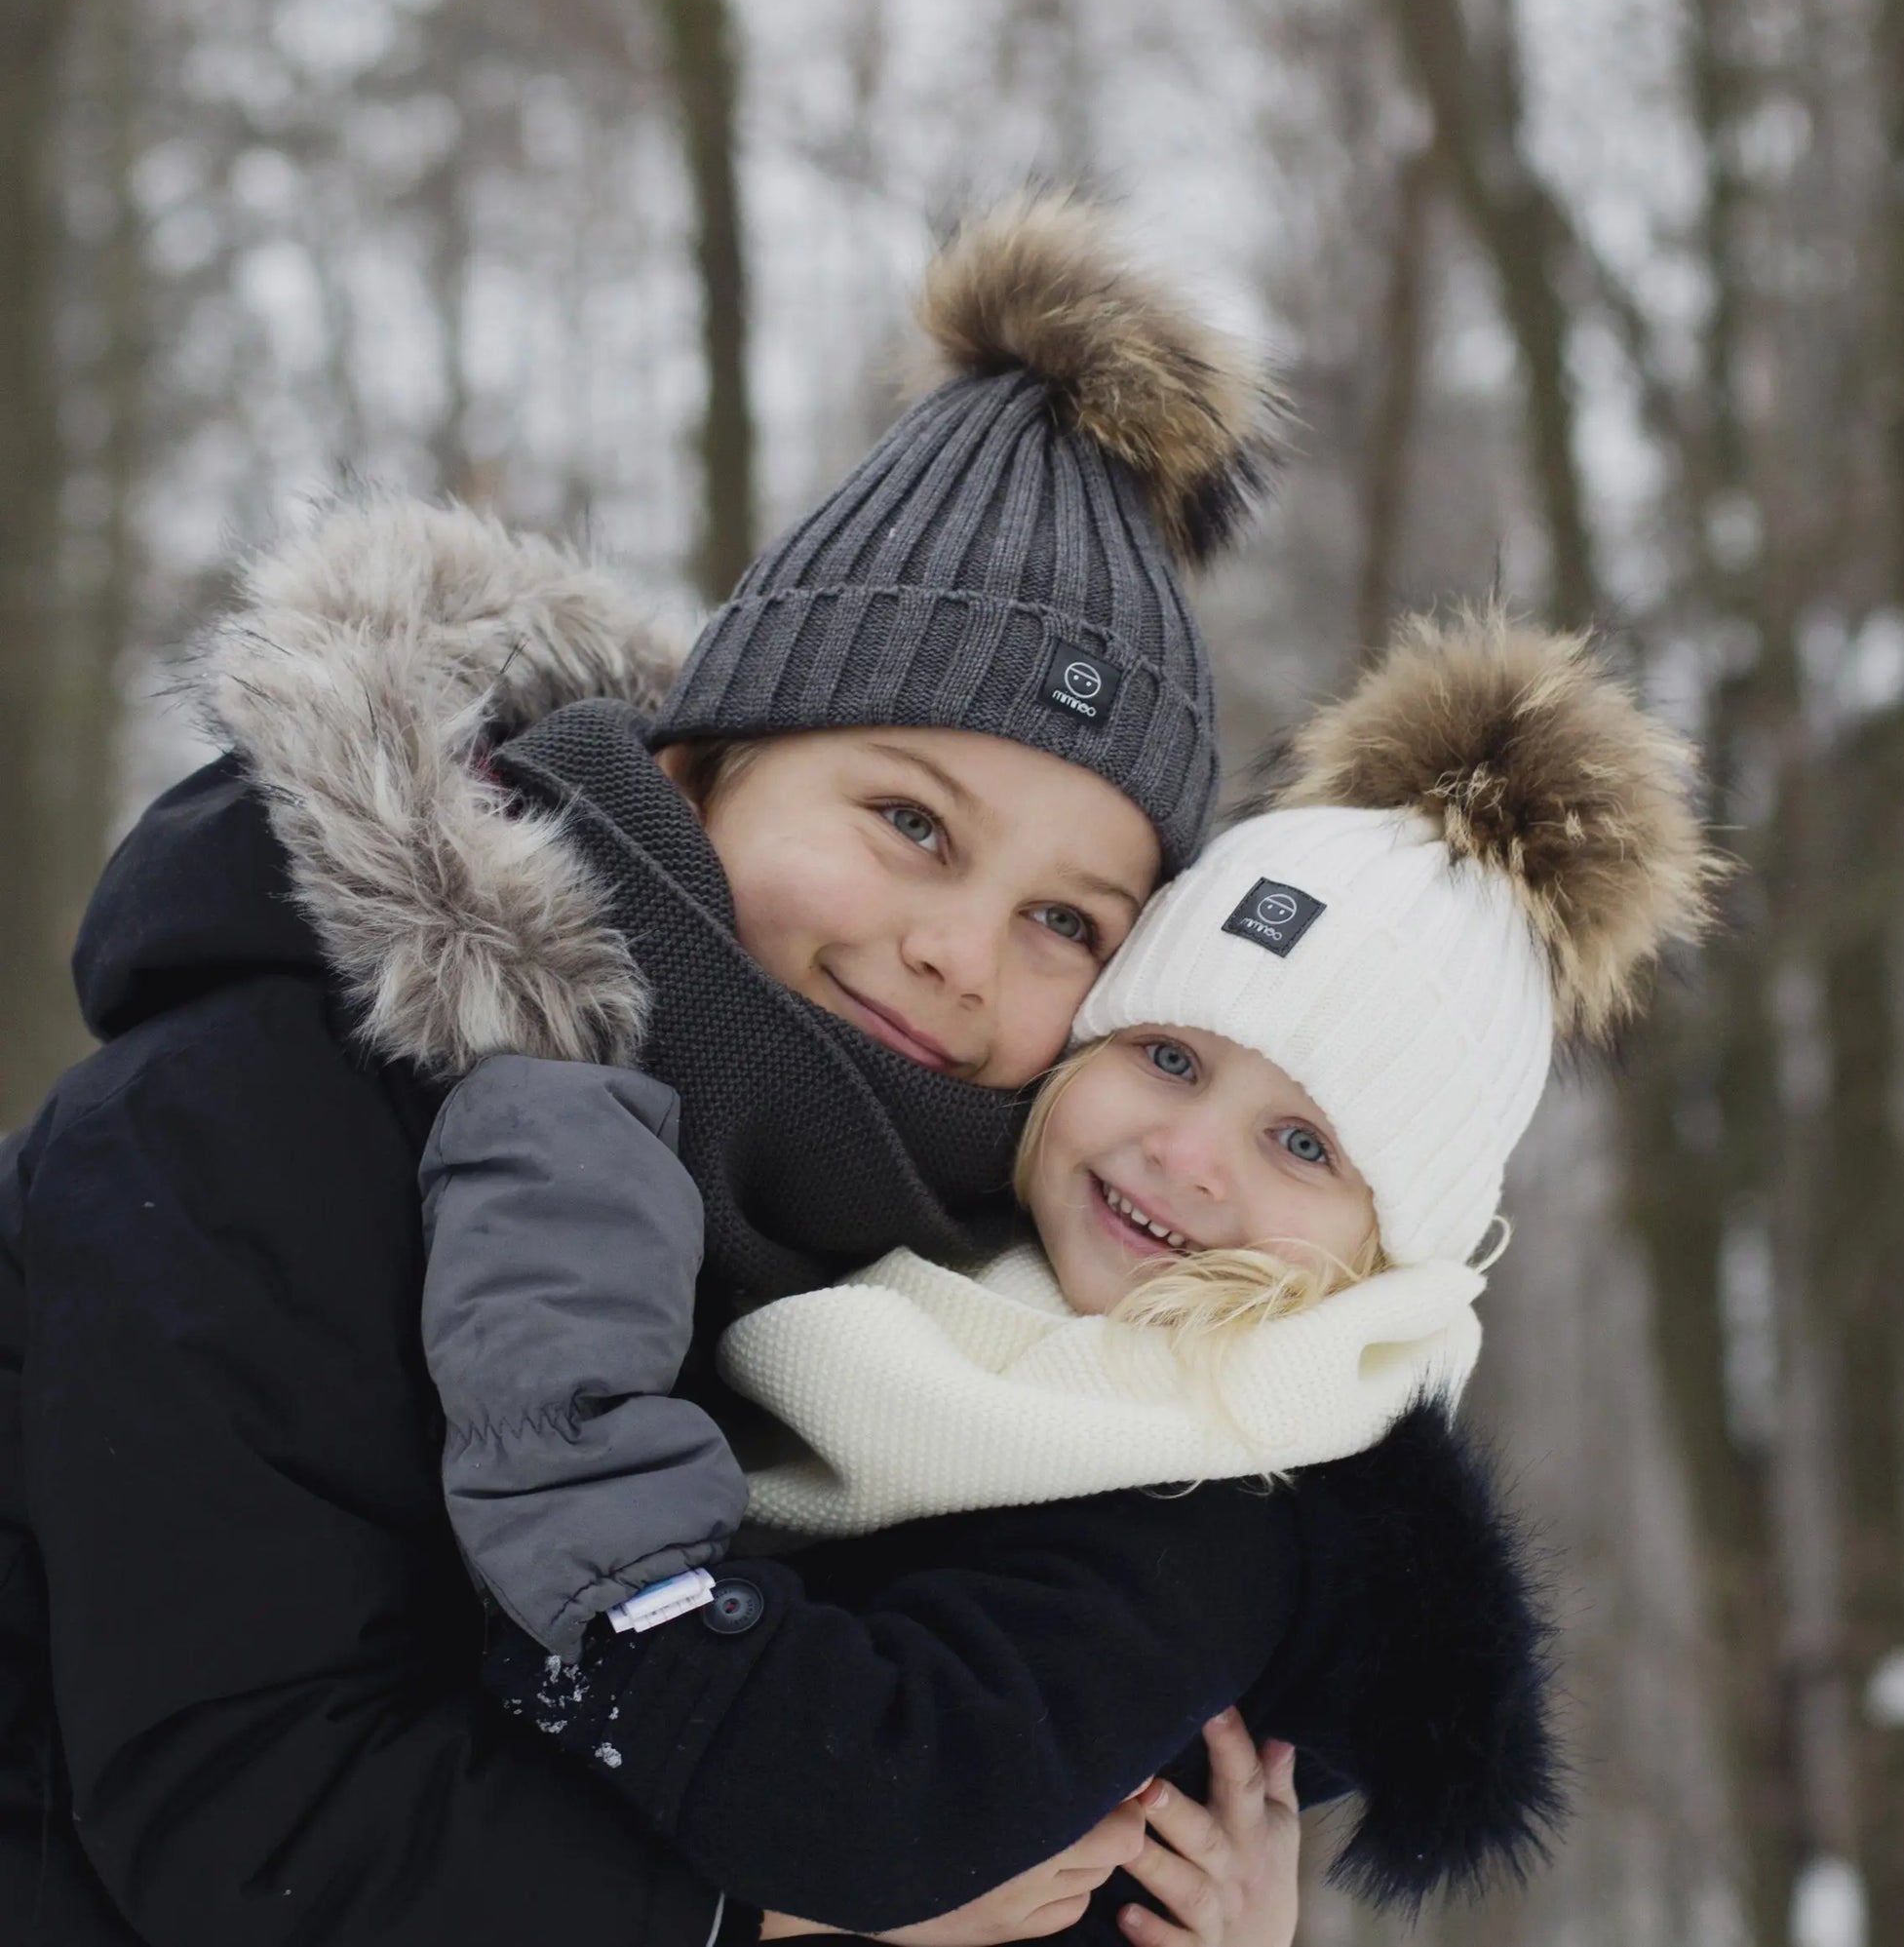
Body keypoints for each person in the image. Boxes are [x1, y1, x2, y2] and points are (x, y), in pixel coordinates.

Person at [0, 191, 1293, 1946]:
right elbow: (242, 1802)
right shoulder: (259, 1105)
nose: (962, 951)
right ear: (698, 771)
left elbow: (977, 1800)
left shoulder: (973, 1310)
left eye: (1069, 919)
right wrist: (769, 1921)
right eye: (912, 820)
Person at [425, 613, 1720, 1939]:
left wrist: (607, 1555)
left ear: (1384, 1256)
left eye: (1301, 1144)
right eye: (1168, 1055)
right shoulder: (953, 1299)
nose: (1187, 1154)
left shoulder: (1214, 1493)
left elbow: (884, 1799)